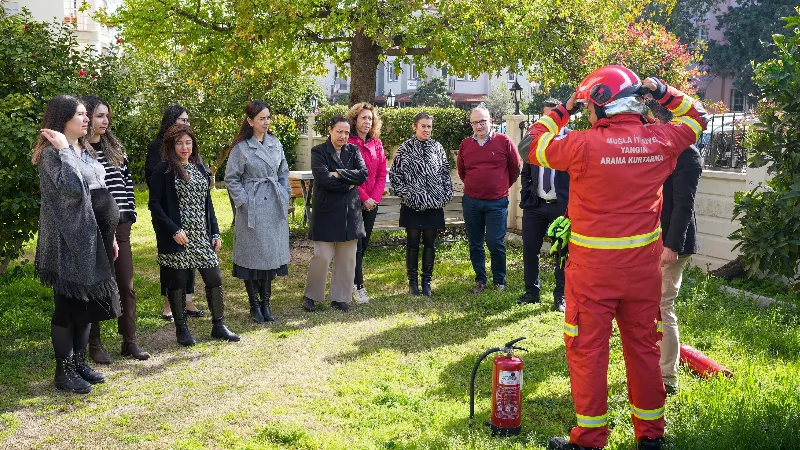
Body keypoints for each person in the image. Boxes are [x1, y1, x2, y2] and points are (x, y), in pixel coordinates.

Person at [521, 66, 707, 450]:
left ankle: (589, 439)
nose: (588, 112)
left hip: (592, 274)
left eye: (590, 105)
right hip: (642, 272)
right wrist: (663, 90)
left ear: (604, 103)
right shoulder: (661, 139)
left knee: (588, 351)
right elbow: (697, 118)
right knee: (644, 349)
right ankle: (651, 437)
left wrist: (564, 109)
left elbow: (530, 146)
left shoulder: (583, 145)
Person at [33, 94, 121, 394]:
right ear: (64, 119)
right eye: (81, 114)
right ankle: (64, 371)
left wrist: (109, 235)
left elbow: (100, 185)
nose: (86, 119)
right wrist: (64, 150)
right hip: (68, 242)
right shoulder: (52, 154)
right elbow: (71, 189)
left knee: (86, 305)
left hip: (94, 237)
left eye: (86, 114)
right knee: (67, 306)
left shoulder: (84, 149)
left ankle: (80, 364)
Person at [149, 124, 239, 346]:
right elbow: (155, 204)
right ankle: (182, 329)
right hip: (178, 237)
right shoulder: (163, 170)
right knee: (178, 281)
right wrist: (174, 230)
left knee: (214, 278)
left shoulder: (199, 167)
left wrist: (215, 232)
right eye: (179, 143)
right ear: (171, 145)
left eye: (188, 143)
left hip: (201, 236)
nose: (184, 147)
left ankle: (218, 326)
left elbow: (208, 204)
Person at [82, 96, 150, 363]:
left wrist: (130, 213)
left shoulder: (116, 148)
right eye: (99, 116)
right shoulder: (79, 151)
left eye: (107, 116)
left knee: (126, 285)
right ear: (87, 117)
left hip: (121, 227)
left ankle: (129, 341)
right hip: (94, 227)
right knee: (97, 285)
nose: (105, 121)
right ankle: (95, 343)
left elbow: (127, 182)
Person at [648, 100, 703, 396]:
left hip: (672, 244)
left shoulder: (687, 154)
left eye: (650, 122)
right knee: (650, 306)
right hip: (652, 239)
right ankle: (651, 367)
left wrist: (671, 246)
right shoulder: (662, 149)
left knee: (663, 305)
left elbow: (684, 205)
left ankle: (667, 378)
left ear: (662, 121)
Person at [225, 100, 291, 323]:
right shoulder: (241, 148)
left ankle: (266, 303)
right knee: (252, 256)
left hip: (274, 205)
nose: (266, 122)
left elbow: (283, 172)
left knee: (269, 257)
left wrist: (284, 192)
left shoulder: (275, 143)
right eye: (261, 118)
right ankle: (254, 305)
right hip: (252, 207)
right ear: (250, 121)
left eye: (268, 118)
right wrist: (243, 201)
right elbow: (231, 178)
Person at [145, 105, 204, 322]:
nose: (186, 124)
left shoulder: (188, 145)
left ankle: (188, 300)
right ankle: (168, 304)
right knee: (170, 259)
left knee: (190, 256)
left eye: (187, 120)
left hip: (191, 212)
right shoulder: (158, 147)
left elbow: (199, 170)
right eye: (182, 120)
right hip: (167, 214)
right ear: (171, 121)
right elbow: (154, 181)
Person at [302, 115, 367, 312]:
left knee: (347, 259)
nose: (343, 136)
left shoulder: (353, 150)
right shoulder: (319, 151)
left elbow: (363, 174)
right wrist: (349, 184)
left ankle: (340, 297)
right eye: (339, 131)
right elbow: (323, 179)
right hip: (326, 212)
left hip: (350, 213)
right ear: (330, 130)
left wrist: (338, 174)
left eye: (346, 132)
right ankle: (311, 296)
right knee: (322, 256)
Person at [457, 106, 521, 294]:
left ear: (490, 120)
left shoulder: (504, 141)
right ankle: (480, 280)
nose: (479, 126)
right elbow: (462, 171)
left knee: (495, 242)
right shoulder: (465, 145)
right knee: (475, 242)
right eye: (475, 123)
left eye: (482, 121)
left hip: (496, 202)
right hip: (472, 202)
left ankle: (499, 281)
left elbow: (515, 168)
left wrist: (500, 186)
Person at [390, 112, 453, 296]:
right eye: (423, 126)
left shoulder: (437, 147)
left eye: (429, 126)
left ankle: (427, 282)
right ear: (415, 127)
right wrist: (406, 195)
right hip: (412, 205)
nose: (426, 129)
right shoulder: (405, 148)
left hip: (434, 205)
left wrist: (445, 195)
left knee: (430, 244)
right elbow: (395, 175)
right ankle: (412, 283)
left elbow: (445, 174)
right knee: (412, 243)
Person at [518, 98, 570, 311]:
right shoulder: (534, 142)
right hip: (535, 205)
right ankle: (532, 292)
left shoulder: (571, 140)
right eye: (547, 116)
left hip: (561, 207)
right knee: (530, 249)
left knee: (562, 253)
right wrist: (527, 194)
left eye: (555, 115)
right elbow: (526, 171)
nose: (552, 120)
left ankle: (561, 296)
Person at [346, 103, 387, 304]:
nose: (367, 122)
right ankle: (358, 286)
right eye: (363, 118)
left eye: (370, 118)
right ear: (355, 120)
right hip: (353, 200)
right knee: (357, 245)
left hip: (372, 203)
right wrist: (364, 198)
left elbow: (381, 174)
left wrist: (374, 199)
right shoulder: (348, 143)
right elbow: (349, 175)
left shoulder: (376, 144)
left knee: (364, 244)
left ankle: (351, 281)